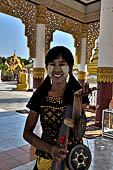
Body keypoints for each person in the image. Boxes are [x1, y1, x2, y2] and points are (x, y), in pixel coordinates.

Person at [23, 46, 87, 170]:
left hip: (73, 158)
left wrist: (78, 103)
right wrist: (51, 149)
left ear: (69, 67)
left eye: (62, 64)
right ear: (47, 67)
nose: (57, 69)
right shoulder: (40, 96)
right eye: (52, 64)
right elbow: (27, 133)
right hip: (47, 159)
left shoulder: (78, 94)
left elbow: (78, 133)